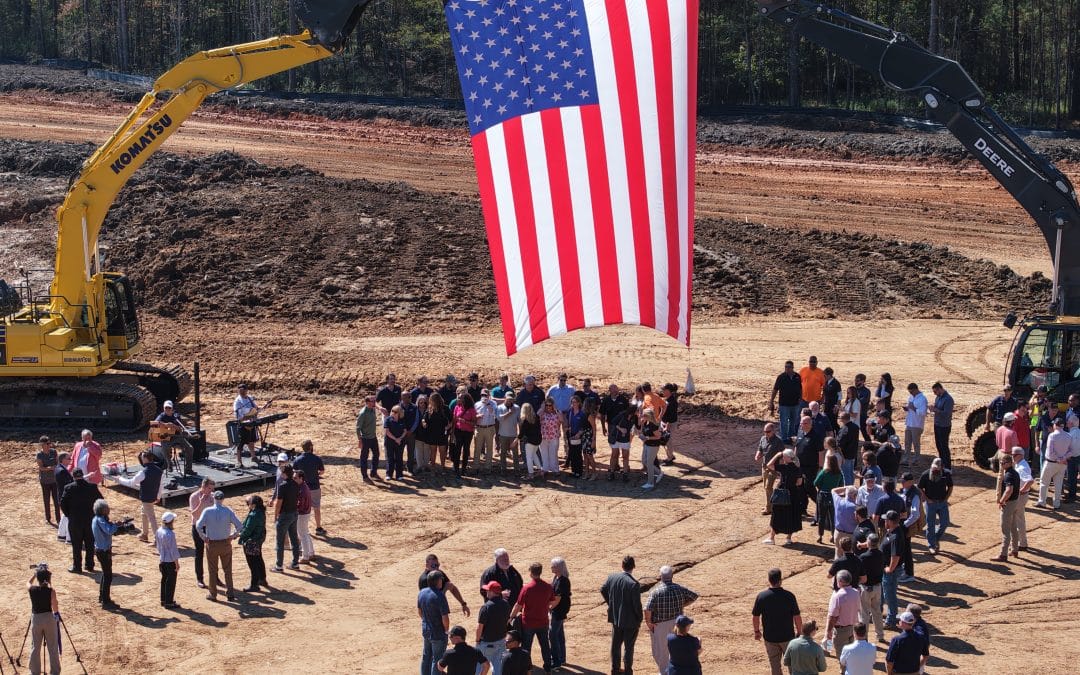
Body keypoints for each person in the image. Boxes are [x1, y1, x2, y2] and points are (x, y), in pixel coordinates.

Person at [645, 565, 699, 674]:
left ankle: (665, 672)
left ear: (661, 577)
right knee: (677, 648)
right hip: (677, 623)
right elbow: (694, 596)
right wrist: (683, 604)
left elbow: (647, 609)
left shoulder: (655, 591)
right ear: (672, 576)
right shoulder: (679, 588)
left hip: (660, 625)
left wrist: (649, 622)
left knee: (661, 651)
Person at [752, 568, 802, 675]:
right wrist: (799, 632)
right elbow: (797, 616)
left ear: (769, 580)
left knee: (775, 666)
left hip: (770, 638)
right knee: (793, 665)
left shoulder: (762, 596)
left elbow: (755, 616)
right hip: (788, 637)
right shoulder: (789, 596)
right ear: (780, 580)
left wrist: (757, 631)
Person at [509, 562, 556, 671]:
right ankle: (548, 668)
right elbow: (552, 601)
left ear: (531, 573)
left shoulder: (527, 588)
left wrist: (511, 617)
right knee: (545, 645)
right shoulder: (547, 586)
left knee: (526, 647)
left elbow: (518, 605)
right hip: (543, 622)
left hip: (528, 623)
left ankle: (527, 668)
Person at [196, 490, 242, 601]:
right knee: (227, 570)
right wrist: (233, 535)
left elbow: (198, 526)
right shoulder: (228, 511)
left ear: (214, 499)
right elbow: (240, 526)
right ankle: (230, 593)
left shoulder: (207, 511)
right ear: (223, 499)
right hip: (225, 543)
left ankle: (213, 594)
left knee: (212, 570)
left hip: (212, 544)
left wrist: (204, 537)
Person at [600, 555, 643, 675]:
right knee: (629, 647)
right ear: (633, 567)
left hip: (616, 618)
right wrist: (639, 618)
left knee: (615, 645)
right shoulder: (634, 584)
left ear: (622, 565)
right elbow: (637, 605)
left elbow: (603, 589)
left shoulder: (612, 577)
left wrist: (611, 604)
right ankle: (628, 671)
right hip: (630, 621)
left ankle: (615, 669)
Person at [60, 468, 102, 573]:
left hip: (75, 521)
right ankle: (89, 565)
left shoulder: (68, 488)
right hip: (90, 520)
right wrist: (95, 514)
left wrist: (69, 515)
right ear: (83, 475)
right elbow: (100, 501)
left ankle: (77, 567)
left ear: (73, 476)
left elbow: (62, 503)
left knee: (76, 545)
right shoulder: (92, 487)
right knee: (90, 543)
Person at [117, 450, 164, 544]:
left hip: (146, 498)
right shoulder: (159, 471)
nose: (141, 459)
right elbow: (161, 485)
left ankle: (157, 539)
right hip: (153, 497)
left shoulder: (143, 472)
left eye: (142, 457)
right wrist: (158, 496)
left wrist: (120, 479)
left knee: (151, 518)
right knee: (144, 513)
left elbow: (131, 483)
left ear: (146, 459)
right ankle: (144, 534)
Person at [763, 449, 803, 545]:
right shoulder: (798, 468)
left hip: (782, 494)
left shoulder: (784, 467)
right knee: (792, 515)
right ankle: (788, 538)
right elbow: (799, 482)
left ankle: (771, 538)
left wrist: (777, 455)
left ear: (787, 458)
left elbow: (769, 465)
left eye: (784, 457)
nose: (783, 458)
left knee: (776, 515)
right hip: (793, 494)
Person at [27, 565, 60, 675]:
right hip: (49, 619)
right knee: (53, 647)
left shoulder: (32, 590)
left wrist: (34, 574)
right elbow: (55, 607)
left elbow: (28, 583)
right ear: (48, 579)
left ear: (38, 579)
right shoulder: (51, 591)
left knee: (35, 647)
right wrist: (56, 616)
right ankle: (55, 672)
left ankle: (35, 672)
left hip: (36, 619)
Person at [991, 453, 1023, 562]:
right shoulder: (1015, 473)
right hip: (1015, 502)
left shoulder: (1008, 475)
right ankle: (1014, 549)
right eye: (1000, 463)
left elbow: (1009, 490)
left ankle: (1003, 554)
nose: (1001, 464)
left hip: (1008, 504)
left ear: (1009, 463)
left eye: (1003, 463)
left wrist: (1001, 500)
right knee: (1013, 527)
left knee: (1005, 530)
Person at [419, 570, 452, 675]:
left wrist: (427, 621)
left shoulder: (422, 593)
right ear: (438, 581)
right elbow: (445, 617)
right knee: (437, 659)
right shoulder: (440, 596)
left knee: (426, 656)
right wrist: (446, 630)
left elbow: (420, 612)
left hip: (426, 630)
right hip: (438, 632)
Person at [918, 458, 953, 555]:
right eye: (933, 469)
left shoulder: (946, 474)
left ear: (942, 468)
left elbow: (950, 486)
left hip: (942, 503)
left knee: (945, 523)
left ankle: (936, 538)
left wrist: (946, 498)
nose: (935, 471)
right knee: (930, 525)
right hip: (930, 504)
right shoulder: (925, 474)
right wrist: (926, 499)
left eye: (937, 470)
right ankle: (931, 546)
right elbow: (920, 487)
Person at [292, 439, 326, 534]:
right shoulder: (316, 458)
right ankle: (318, 528)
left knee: (301, 509)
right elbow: (322, 471)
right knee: (316, 508)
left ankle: (302, 528)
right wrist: (316, 474)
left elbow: (294, 473)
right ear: (311, 447)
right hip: (314, 487)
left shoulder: (298, 459)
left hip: (302, 488)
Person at [271, 464, 301, 572]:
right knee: (294, 539)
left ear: (284, 474)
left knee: (280, 541)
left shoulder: (283, 486)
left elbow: (278, 503)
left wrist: (275, 516)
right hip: (294, 513)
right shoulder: (296, 484)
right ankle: (295, 563)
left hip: (285, 515)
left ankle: (279, 566)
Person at [826, 570, 861, 659]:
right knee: (849, 653)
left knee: (842, 655)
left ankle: (843, 669)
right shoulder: (856, 592)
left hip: (841, 630)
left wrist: (829, 630)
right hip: (852, 628)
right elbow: (858, 609)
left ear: (840, 581)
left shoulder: (837, 596)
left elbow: (833, 616)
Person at [476, 581, 510, 673]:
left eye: (488, 590)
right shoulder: (506, 604)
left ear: (492, 592)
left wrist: (477, 640)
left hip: (487, 643)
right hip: (501, 641)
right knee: (499, 668)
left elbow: (480, 626)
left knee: (480, 667)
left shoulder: (486, 607)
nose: (486, 592)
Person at [1037, 417, 1071, 508]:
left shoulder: (1052, 436)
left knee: (1044, 482)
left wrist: (1058, 459)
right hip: (1062, 464)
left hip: (1051, 463)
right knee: (1058, 484)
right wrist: (1063, 458)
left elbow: (1050, 453)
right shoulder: (1069, 436)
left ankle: (1042, 502)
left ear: (1055, 425)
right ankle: (1057, 504)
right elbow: (1072, 451)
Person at [91, 498, 119, 608]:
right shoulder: (101, 520)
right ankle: (106, 601)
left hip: (100, 550)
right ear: (102, 510)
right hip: (104, 551)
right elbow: (109, 530)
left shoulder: (95, 519)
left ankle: (102, 597)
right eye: (107, 507)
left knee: (105, 574)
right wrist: (116, 525)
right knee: (108, 576)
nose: (108, 509)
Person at [858, 533, 886, 642]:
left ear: (868, 543)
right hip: (877, 587)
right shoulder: (881, 554)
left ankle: (864, 637)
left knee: (864, 613)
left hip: (866, 588)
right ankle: (880, 635)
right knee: (877, 612)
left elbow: (860, 573)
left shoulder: (863, 557)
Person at [154, 400, 195, 475]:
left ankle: (188, 469)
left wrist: (174, 426)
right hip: (166, 438)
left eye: (169, 408)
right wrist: (166, 425)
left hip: (177, 437)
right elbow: (155, 423)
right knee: (164, 448)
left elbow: (181, 428)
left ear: (172, 408)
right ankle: (169, 464)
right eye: (166, 408)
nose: (167, 409)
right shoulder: (161, 416)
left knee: (190, 448)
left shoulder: (176, 416)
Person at [188, 478, 215, 588]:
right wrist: (201, 502)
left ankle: (215, 577)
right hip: (198, 528)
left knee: (213, 553)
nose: (211, 491)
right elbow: (194, 514)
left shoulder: (212, 497)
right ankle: (200, 578)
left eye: (212, 489)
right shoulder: (194, 496)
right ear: (203, 486)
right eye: (209, 488)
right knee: (199, 553)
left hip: (210, 527)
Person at [794, 417, 823, 518]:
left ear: (810, 424)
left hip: (811, 467)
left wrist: (820, 467)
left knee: (809, 487)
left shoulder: (815, 436)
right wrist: (794, 461)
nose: (802, 425)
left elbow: (820, 452)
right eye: (801, 423)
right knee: (800, 488)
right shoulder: (800, 433)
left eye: (804, 423)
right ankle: (803, 509)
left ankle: (821, 505)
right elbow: (796, 447)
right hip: (799, 466)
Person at [238, 494, 267, 592]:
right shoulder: (260, 512)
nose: (248, 504)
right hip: (258, 540)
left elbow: (247, 530)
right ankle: (262, 579)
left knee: (253, 563)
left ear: (253, 504)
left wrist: (238, 535)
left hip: (251, 542)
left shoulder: (253, 515)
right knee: (258, 559)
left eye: (249, 503)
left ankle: (254, 585)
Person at [880, 511, 904, 628]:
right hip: (885, 569)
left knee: (889, 595)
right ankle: (879, 613)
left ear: (890, 521)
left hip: (891, 571)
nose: (884, 521)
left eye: (886, 520)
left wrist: (890, 569)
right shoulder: (892, 532)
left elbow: (895, 556)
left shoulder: (896, 536)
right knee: (883, 593)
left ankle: (891, 620)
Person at [813, 454, 844, 544]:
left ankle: (820, 536)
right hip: (833, 497)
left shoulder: (824, 472)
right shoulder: (839, 473)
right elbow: (841, 485)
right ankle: (833, 535)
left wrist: (821, 488)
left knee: (821, 517)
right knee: (833, 517)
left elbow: (815, 483)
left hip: (823, 496)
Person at [756, 423, 786, 515]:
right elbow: (760, 448)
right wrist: (758, 455)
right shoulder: (763, 439)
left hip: (773, 467)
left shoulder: (778, 441)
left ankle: (769, 508)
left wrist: (781, 468)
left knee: (768, 487)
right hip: (764, 466)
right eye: (764, 431)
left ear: (773, 431)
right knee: (766, 487)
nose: (766, 433)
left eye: (768, 431)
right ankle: (769, 505)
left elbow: (783, 454)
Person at [548, 557, 572, 671]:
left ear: (558, 568)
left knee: (553, 635)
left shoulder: (563, 581)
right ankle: (562, 658)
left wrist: (549, 608)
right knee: (559, 634)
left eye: (553, 566)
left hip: (558, 611)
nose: (551, 567)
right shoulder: (556, 578)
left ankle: (556, 661)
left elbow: (557, 599)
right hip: (558, 610)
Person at [154, 511, 181, 608]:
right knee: (171, 582)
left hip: (162, 560)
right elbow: (173, 550)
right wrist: (177, 564)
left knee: (164, 579)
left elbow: (158, 546)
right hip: (170, 561)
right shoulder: (170, 534)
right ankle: (169, 602)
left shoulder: (159, 531)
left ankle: (164, 600)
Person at [1010, 446, 1034, 552]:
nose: (1012, 457)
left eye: (1014, 455)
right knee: (1019, 519)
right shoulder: (1020, 464)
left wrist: (1021, 491)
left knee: (1017, 520)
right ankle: (1022, 542)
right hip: (1021, 496)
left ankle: (1022, 543)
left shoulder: (1022, 467)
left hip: (1020, 497)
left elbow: (1030, 481)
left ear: (1020, 455)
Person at [898, 473, 921, 582]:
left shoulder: (914, 494)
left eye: (904, 481)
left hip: (906, 526)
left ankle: (909, 574)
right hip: (903, 523)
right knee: (903, 548)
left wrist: (905, 524)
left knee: (906, 549)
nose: (902, 483)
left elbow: (915, 514)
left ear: (911, 482)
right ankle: (905, 570)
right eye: (901, 481)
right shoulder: (904, 491)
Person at [232, 384, 260, 467]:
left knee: (251, 440)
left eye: (244, 390)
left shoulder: (250, 398)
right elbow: (238, 415)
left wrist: (257, 410)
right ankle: (239, 461)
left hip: (251, 423)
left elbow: (255, 408)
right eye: (240, 390)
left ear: (246, 390)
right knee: (241, 443)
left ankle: (253, 456)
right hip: (243, 424)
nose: (242, 392)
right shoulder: (238, 401)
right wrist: (247, 417)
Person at [35, 436, 61, 525]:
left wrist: (54, 467)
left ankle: (58, 519)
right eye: (47, 443)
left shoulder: (54, 452)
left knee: (57, 500)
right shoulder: (39, 455)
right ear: (42, 445)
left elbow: (58, 463)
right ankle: (48, 518)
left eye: (49, 443)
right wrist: (50, 468)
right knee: (46, 500)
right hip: (45, 481)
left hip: (55, 480)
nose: (49, 445)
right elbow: (41, 468)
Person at [451, 393, 477, 480]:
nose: (458, 399)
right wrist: (452, 432)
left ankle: (464, 469)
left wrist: (465, 421)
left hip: (468, 433)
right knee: (457, 450)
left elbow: (474, 423)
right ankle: (456, 469)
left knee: (466, 450)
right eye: (458, 398)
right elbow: (454, 420)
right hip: (458, 431)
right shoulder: (457, 407)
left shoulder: (472, 410)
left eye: (460, 398)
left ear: (465, 399)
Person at [607, 405, 637, 482]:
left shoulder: (635, 417)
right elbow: (613, 422)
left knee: (625, 456)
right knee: (614, 455)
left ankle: (625, 474)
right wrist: (620, 429)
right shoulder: (622, 414)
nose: (639, 412)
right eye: (637, 411)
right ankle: (611, 473)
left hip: (626, 439)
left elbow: (638, 427)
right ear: (633, 411)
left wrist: (640, 420)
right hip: (616, 438)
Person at [473, 389, 499, 474]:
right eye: (482, 395)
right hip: (479, 428)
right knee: (477, 448)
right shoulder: (477, 404)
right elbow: (473, 415)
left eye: (485, 395)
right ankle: (475, 467)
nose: (484, 397)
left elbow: (495, 414)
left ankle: (488, 467)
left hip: (489, 428)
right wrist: (477, 416)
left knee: (489, 448)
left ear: (489, 395)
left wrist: (488, 405)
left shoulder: (493, 403)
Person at [901, 384, 928, 466]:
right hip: (909, 423)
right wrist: (907, 408)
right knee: (907, 442)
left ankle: (917, 460)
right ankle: (906, 459)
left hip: (917, 424)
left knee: (916, 443)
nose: (911, 393)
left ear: (916, 389)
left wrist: (913, 408)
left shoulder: (923, 399)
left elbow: (923, 413)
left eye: (911, 392)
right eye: (909, 392)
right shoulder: (911, 397)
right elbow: (910, 408)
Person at [830, 487, 860, 560]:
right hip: (851, 535)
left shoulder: (838, 501)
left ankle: (837, 566)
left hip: (838, 533)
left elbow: (833, 490)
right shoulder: (856, 507)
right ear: (854, 495)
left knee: (838, 554)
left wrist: (846, 488)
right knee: (850, 556)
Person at [930, 382, 954, 469]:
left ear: (940, 389)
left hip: (944, 426)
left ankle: (947, 467)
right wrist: (933, 408)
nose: (934, 393)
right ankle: (942, 464)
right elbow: (937, 408)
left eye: (935, 391)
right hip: (937, 424)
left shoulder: (948, 399)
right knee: (939, 445)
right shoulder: (938, 397)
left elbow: (947, 414)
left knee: (944, 446)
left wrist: (936, 410)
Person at [356, 394, 381, 480]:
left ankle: (373, 473)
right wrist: (360, 440)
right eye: (372, 401)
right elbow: (358, 428)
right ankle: (364, 476)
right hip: (365, 439)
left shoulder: (373, 409)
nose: (374, 403)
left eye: (375, 401)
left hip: (373, 437)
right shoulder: (363, 413)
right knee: (364, 457)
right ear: (367, 402)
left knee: (376, 454)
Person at [496, 392, 522, 473]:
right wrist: (509, 413)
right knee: (503, 452)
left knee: (515, 453)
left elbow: (519, 421)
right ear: (505, 398)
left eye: (511, 400)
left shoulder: (517, 408)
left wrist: (520, 434)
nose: (509, 401)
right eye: (508, 399)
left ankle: (516, 469)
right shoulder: (500, 407)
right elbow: (499, 418)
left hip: (513, 434)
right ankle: (503, 469)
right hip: (503, 434)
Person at [517, 403, 544, 481]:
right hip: (538, 440)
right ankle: (540, 470)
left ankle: (531, 474)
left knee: (529, 457)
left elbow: (521, 433)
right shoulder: (537, 417)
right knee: (534, 454)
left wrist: (516, 440)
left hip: (530, 441)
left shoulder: (525, 421)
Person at [640, 408, 664, 489]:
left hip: (653, 445)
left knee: (649, 463)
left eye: (643, 415)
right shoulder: (646, 423)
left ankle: (650, 483)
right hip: (647, 444)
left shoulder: (653, 425)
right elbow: (643, 432)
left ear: (648, 416)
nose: (642, 416)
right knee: (644, 461)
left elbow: (658, 436)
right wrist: (642, 425)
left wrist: (648, 438)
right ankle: (659, 472)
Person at [538, 398, 563, 477]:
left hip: (554, 436)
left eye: (550, 405)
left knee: (553, 454)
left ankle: (555, 470)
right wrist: (542, 408)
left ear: (553, 405)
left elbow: (562, 419)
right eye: (547, 405)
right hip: (543, 436)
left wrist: (556, 409)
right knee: (544, 454)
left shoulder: (557, 412)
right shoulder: (542, 413)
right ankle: (545, 469)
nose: (548, 407)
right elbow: (536, 417)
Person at [294, 469, 315, 563]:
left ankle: (305, 557)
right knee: (305, 533)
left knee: (302, 535)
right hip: (306, 513)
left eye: (295, 478)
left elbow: (300, 505)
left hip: (302, 514)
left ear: (301, 478)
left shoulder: (301, 490)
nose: (294, 479)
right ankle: (311, 553)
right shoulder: (304, 486)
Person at [427, 392, 452, 471]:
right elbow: (425, 418)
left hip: (442, 433)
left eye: (431, 399)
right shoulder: (430, 408)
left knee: (442, 451)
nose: (430, 401)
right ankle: (433, 466)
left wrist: (448, 427)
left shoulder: (445, 408)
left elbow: (451, 420)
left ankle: (442, 466)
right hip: (432, 433)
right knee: (433, 451)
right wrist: (423, 422)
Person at [836, 412, 861, 485]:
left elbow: (839, 444)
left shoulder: (844, 429)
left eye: (840, 417)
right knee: (850, 473)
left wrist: (841, 456)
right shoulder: (855, 427)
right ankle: (851, 488)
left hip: (845, 455)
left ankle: (848, 489)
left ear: (843, 419)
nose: (839, 419)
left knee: (846, 475)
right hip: (853, 454)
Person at [384, 404, 408, 482]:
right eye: (392, 411)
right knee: (390, 458)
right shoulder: (388, 419)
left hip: (399, 442)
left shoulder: (402, 420)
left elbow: (405, 431)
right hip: (389, 442)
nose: (393, 412)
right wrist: (395, 439)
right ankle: (389, 474)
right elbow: (387, 431)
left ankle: (399, 475)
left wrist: (400, 438)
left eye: (395, 411)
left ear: (399, 413)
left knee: (399, 458)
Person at [565, 395, 587, 478]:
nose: (573, 404)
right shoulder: (570, 412)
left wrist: (579, 434)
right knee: (572, 453)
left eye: (575, 402)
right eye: (572, 402)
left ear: (579, 403)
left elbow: (584, 426)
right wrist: (567, 428)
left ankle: (579, 471)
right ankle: (573, 471)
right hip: (571, 435)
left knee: (578, 454)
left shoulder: (582, 413)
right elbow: (567, 422)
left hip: (579, 436)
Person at [54, 453, 73, 543]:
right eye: (68, 458)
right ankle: (69, 538)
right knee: (70, 517)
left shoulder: (59, 468)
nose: (70, 460)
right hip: (66, 498)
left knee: (65, 515)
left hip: (62, 497)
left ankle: (61, 535)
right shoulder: (62, 471)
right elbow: (69, 485)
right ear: (63, 460)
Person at [660, 383, 680, 465]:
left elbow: (671, 416)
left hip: (670, 424)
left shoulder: (672, 402)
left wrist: (667, 426)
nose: (662, 391)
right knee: (666, 440)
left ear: (669, 391)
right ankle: (670, 456)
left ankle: (670, 458)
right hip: (665, 423)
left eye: (664, 390)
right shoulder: (667, 399)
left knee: (668, 441)